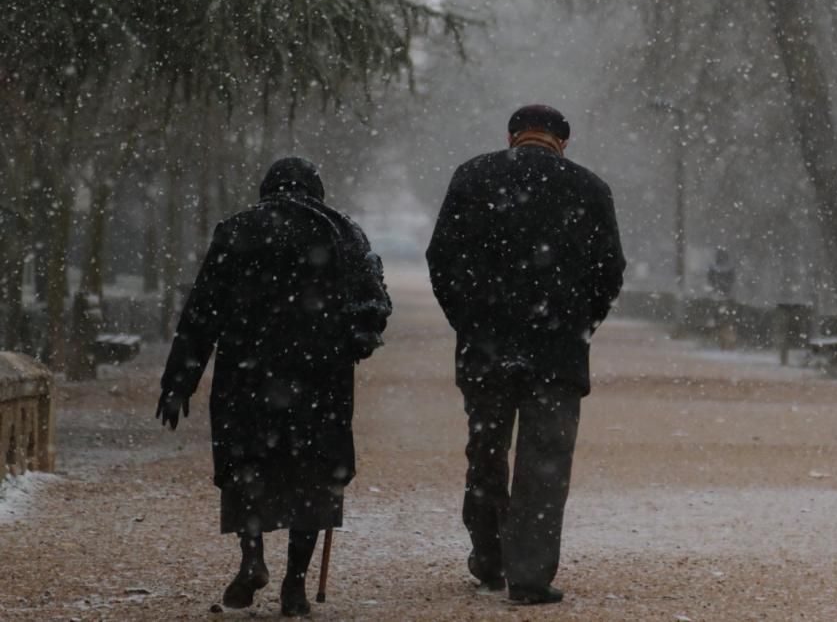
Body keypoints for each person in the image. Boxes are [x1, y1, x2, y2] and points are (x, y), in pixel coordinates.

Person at [156, 157, 390, 617]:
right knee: (313, 474)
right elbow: (374, 303)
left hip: (247, 375)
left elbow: (202, 313)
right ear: (315, 191)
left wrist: (178, 382)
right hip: (319, 377)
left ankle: (252, 556)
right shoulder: (344, 233)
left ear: (268, 189)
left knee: (247, 464)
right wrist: (357, 339)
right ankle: (295, 586)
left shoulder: (237, 229)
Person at [426, 105, 626, 604]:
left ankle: (489, 558)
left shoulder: (473, 177)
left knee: (486, 454)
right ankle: (530, 575)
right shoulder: (590, 189)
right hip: (557, 350)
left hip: (487, 346)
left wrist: (470, 321)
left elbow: (442, 259)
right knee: (545, 462)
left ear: (513, 135)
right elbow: (609, 271)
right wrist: (580, 324)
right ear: (564, 141)